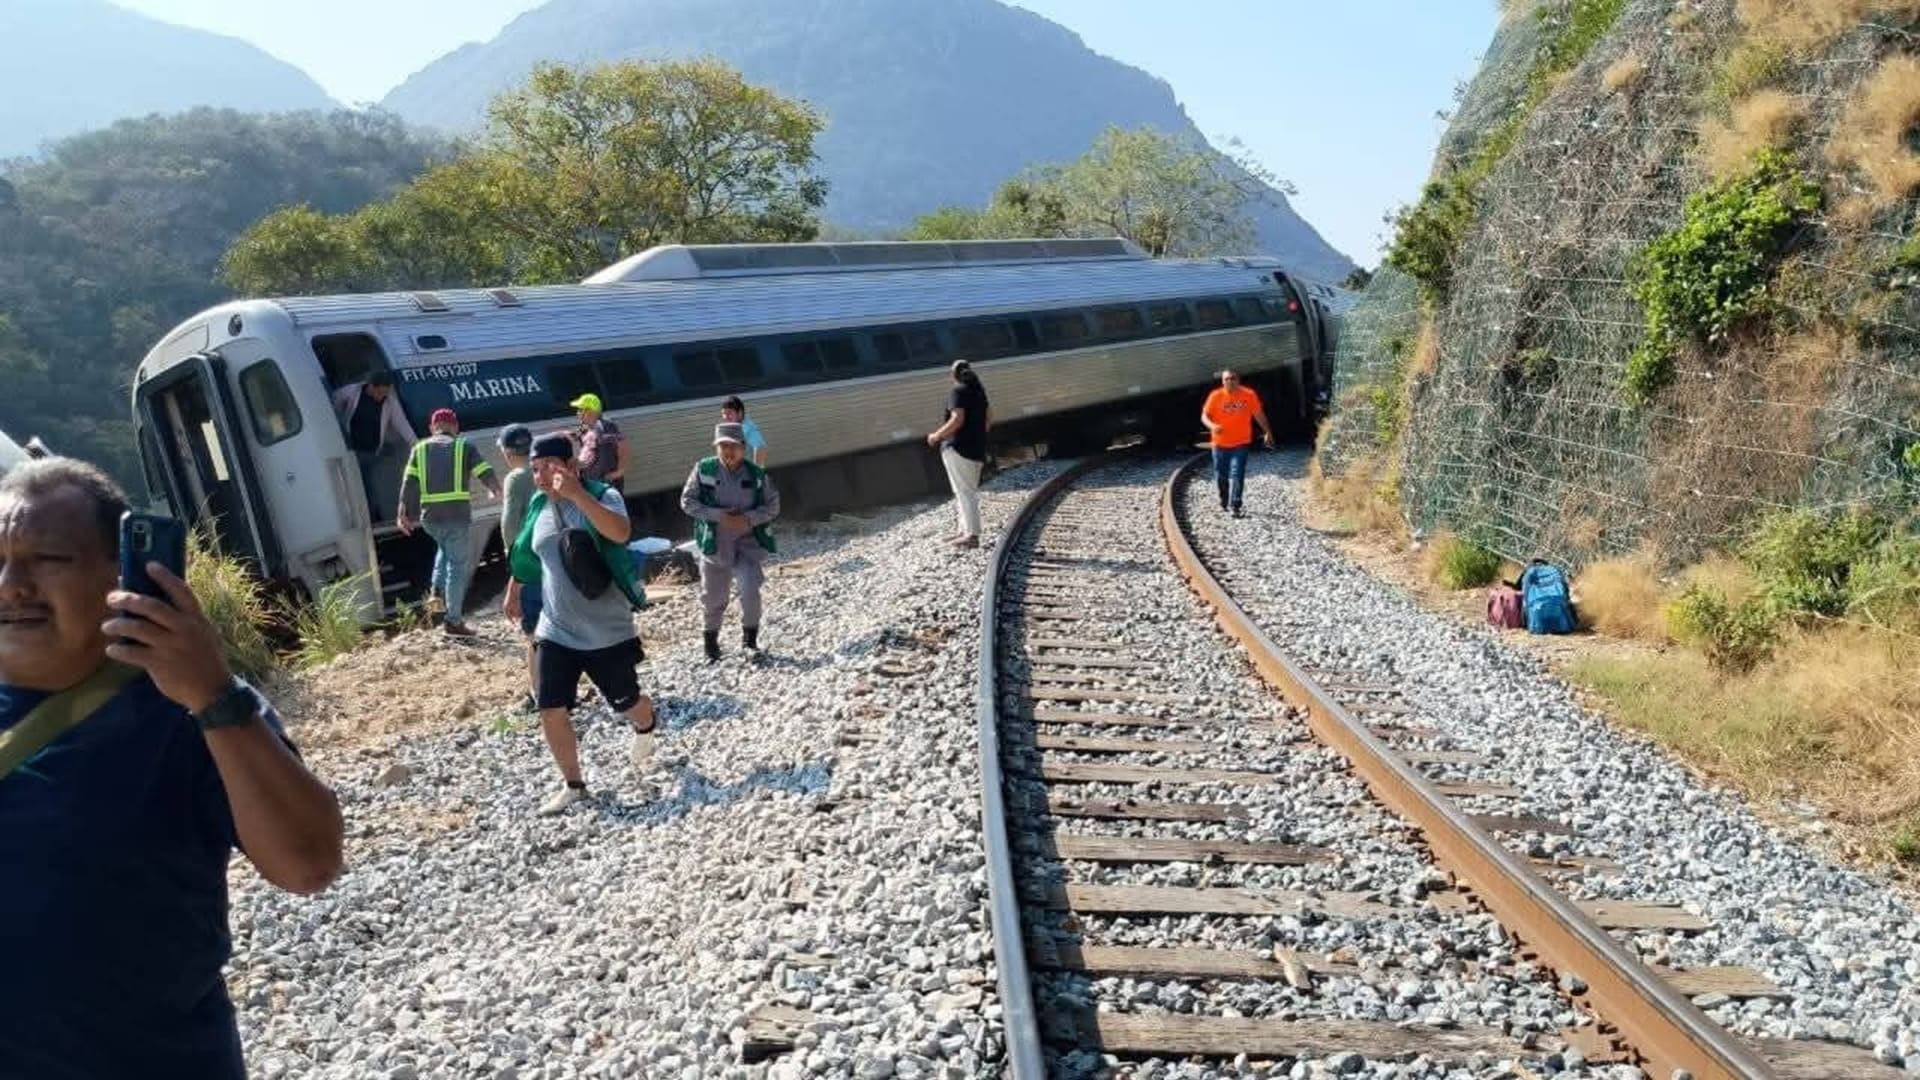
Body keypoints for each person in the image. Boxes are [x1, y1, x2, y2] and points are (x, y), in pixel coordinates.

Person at [0, 458, 343, 1078]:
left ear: (124, 575)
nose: (11, 584)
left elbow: (309, 864)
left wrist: (214, 696)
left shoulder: (187, 707)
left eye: (47, 559)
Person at [505, 433, 657, 816]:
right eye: (535, 469)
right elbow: (529, 552)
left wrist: (576, 495)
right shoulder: (539, 504)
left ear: (571, 466)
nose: (541, 477)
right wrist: (514, 589)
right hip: (555, 629)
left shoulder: (603, 496)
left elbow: (620, 533)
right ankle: (574, 785)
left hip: (606, 630)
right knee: (550, 706)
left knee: (628, 703)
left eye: (548, 467)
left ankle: (646, 725)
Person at [679, 422, 781, 663]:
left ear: (744, 447)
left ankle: (750, 643)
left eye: (733, 446)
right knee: (714, 598)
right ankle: (711, 646)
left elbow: (773, 505)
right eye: (723, 446)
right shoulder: (704, 469)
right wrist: (718, 516)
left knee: (750, 590)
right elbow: (687, 501)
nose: (728, 451)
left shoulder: (756, 475)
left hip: (747, 543)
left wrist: (749, 519)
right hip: (715, 544)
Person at [397, 408, 501, 637]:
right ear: (455, 426)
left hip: (430, 518)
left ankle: (436, 590)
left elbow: (409, 482)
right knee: (457, 567)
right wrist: (494, 488)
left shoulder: (419, 449)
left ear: (432, 428)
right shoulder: (464, 446)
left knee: (444, 549)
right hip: (456, 515)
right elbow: (484, 470)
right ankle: (453, 621)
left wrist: (402, 512)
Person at [331, 370, 416, 524]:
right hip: (352, 450)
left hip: (371, 452)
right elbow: (333, 403)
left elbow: (402, 424)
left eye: (385, 393)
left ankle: (374, 516)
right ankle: (366, 517)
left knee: (368, 485)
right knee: (358, 485)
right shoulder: (352, 392)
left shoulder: (389, 401)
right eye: (379, 392)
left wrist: (416, 445)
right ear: (370, 386)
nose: (381, 396)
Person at [498, 423, 541, 709]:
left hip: (530, 563)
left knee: (534, 632)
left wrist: (513, 569)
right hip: (553, 558)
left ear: (507, 452)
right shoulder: (545, 469)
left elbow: (510, 525)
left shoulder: (516, 478)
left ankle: (540, 694)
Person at [926, 359, 991, 548]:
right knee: (963, 491)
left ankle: (972, 535)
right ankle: (963, 530)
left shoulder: (958, 391)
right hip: (976, 449)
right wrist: (977, 436)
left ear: (953, 375)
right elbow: (988, 420)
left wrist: (936, 436)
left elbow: (957, 419)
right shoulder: (979, 393)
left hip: (958, 449)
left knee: (965, 493)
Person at [1200, 368, 1274, 518]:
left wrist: (1268, 432)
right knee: (1221, 475)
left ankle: (1235, 505)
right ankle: (1223, 500)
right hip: (1219, 443)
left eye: (1232, 378)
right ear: (1222, 382)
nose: (1230, 381)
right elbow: (1204, 416)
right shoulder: (1215, 395)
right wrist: (1212, 426)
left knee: (1237, 473)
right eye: (1226, 379)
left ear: (1238, 380)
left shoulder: (1248, 395)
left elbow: (1258, 414)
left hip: (1241, 442)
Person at [571, 392, 630, 490]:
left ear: (591, 411)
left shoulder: (605, 427)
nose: (577, 413)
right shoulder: (585, 428)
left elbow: (623, 446)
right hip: (591, 482)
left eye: (581, 410)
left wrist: (619, 472)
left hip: (606, 484)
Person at [721, 395, 768, 467]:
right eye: (723, 413)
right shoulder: (735, 426)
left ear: (740, 412)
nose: (725, 417)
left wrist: (756, 472)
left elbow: (761, 448)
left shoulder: (747, 428)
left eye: (729, 413)